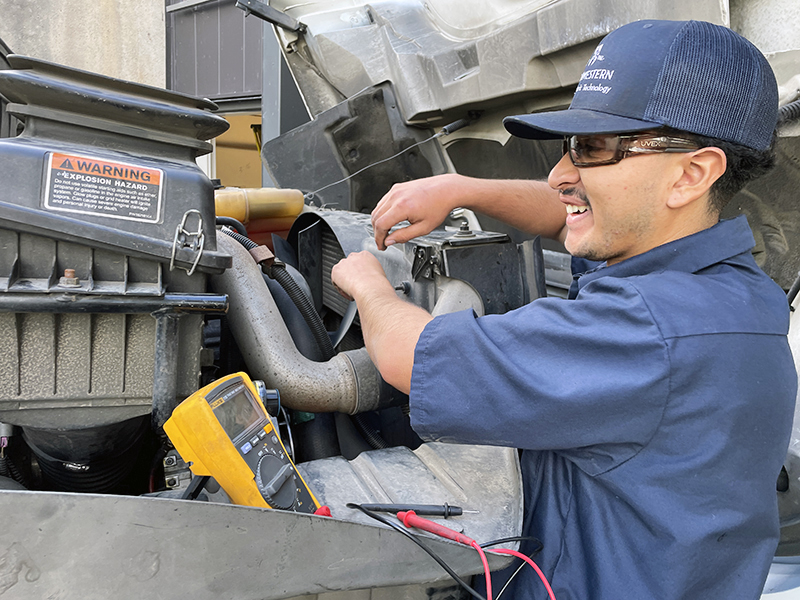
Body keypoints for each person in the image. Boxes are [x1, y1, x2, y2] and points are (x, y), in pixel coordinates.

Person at [331, 19, 797, 600]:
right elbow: (564, 213)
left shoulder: (644, 327)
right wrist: (462, 189)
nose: (559, 174)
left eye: (593, 148)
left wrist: (366, 282)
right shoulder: (726, 283)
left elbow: (413, 356)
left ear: (691, 174)